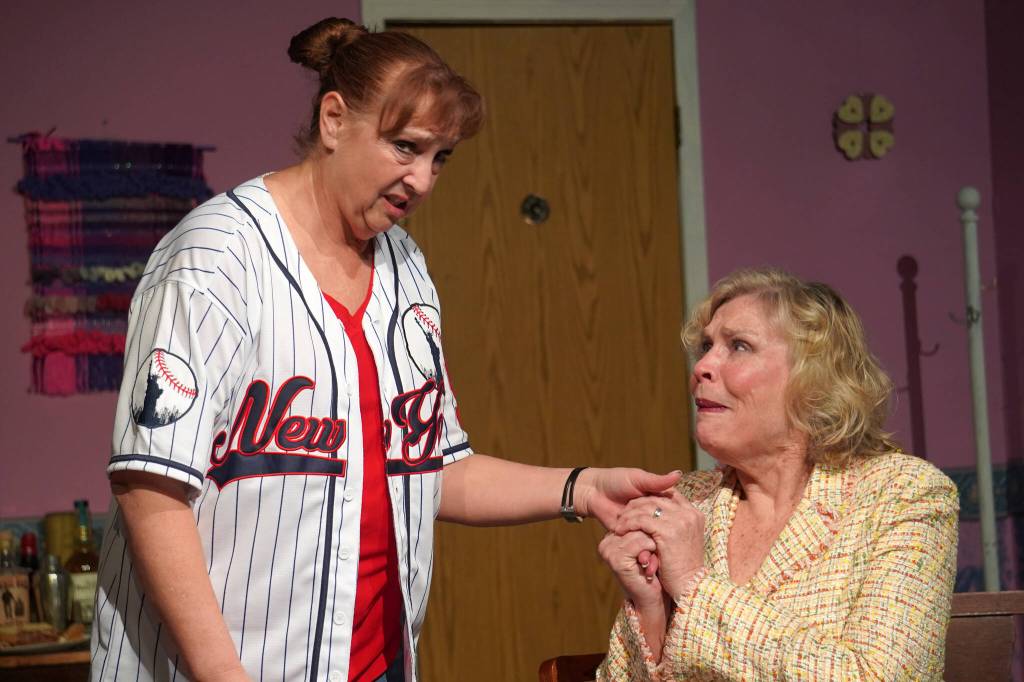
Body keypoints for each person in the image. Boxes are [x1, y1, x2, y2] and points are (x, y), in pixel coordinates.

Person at [90, 17, 680, 682]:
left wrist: (580, 487)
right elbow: (151, 489)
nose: (424, 180)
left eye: (440, 158)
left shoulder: (406, 269)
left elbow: (434, 467)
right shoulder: (217, 257)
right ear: (335, 120)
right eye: (406, 147)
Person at [597, 267, 959, 681]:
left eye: (738, 346)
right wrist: (650, 613)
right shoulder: (685, 502)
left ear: (815, 378)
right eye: (706, 346)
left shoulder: (902, 493)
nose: (702, 367)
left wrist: (695, 586)